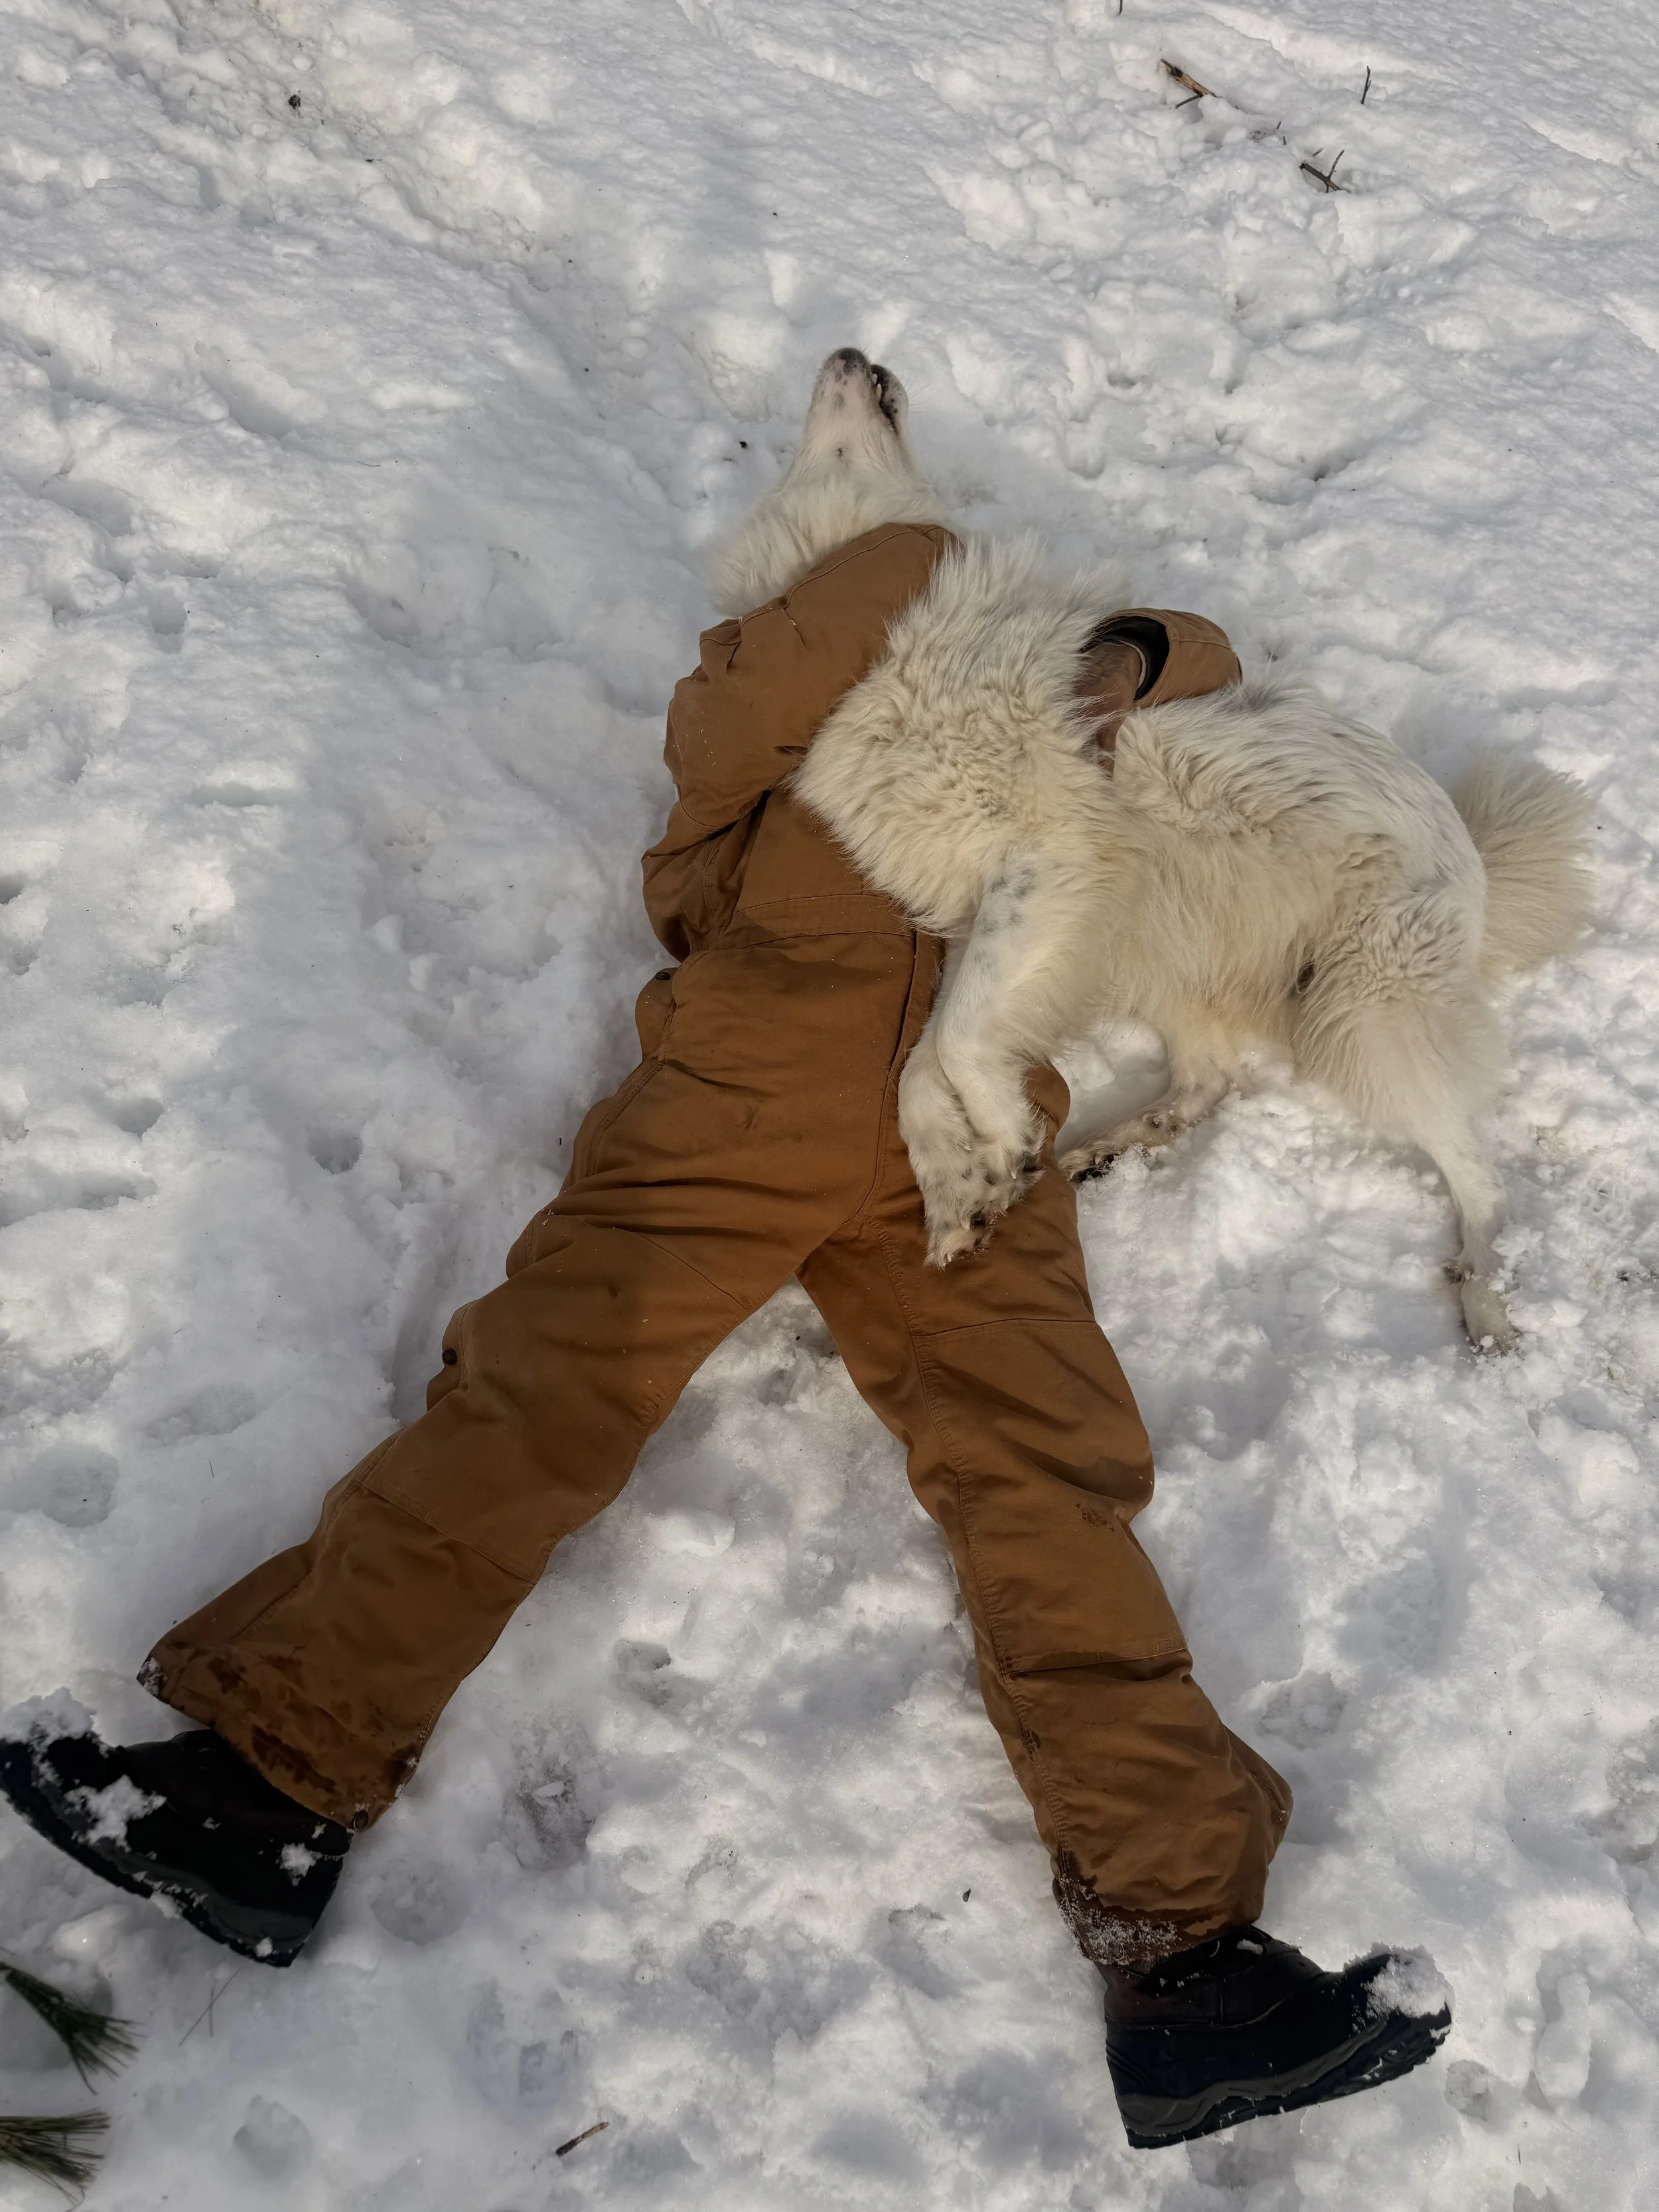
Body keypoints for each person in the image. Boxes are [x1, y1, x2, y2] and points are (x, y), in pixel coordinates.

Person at [0, 520, 1448, 2148]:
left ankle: (1186, 1962)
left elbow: (1207, 656)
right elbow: (763, 686)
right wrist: (921, 576)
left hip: (975, 1082)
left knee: (1019, 1472)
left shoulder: (1031, 684)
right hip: (781, 1051)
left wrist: (1111, 651)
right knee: (571, 1400)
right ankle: (265, 1786)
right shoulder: (800, 683)